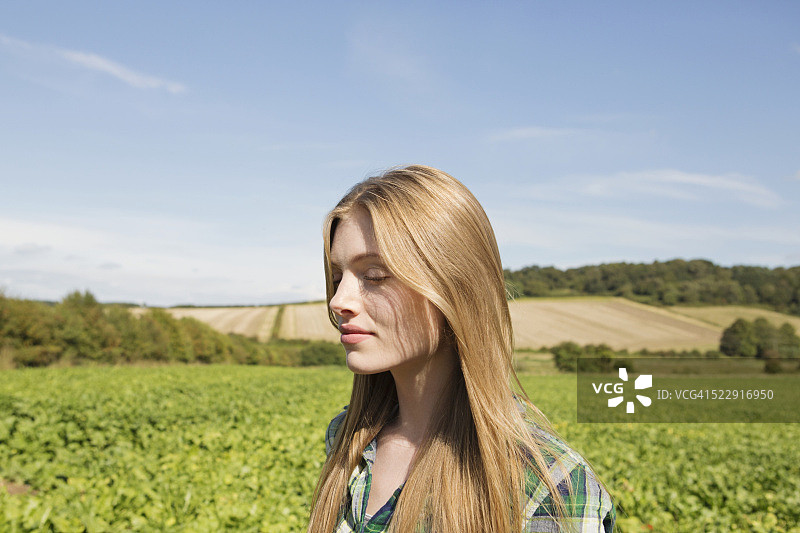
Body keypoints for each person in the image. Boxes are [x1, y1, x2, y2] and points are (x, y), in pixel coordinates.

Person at [307, 165, 615, 533]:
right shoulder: (347, 439)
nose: (338, 300)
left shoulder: (548, 485)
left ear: (455, 287)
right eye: (338, 277)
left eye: (374, 276)